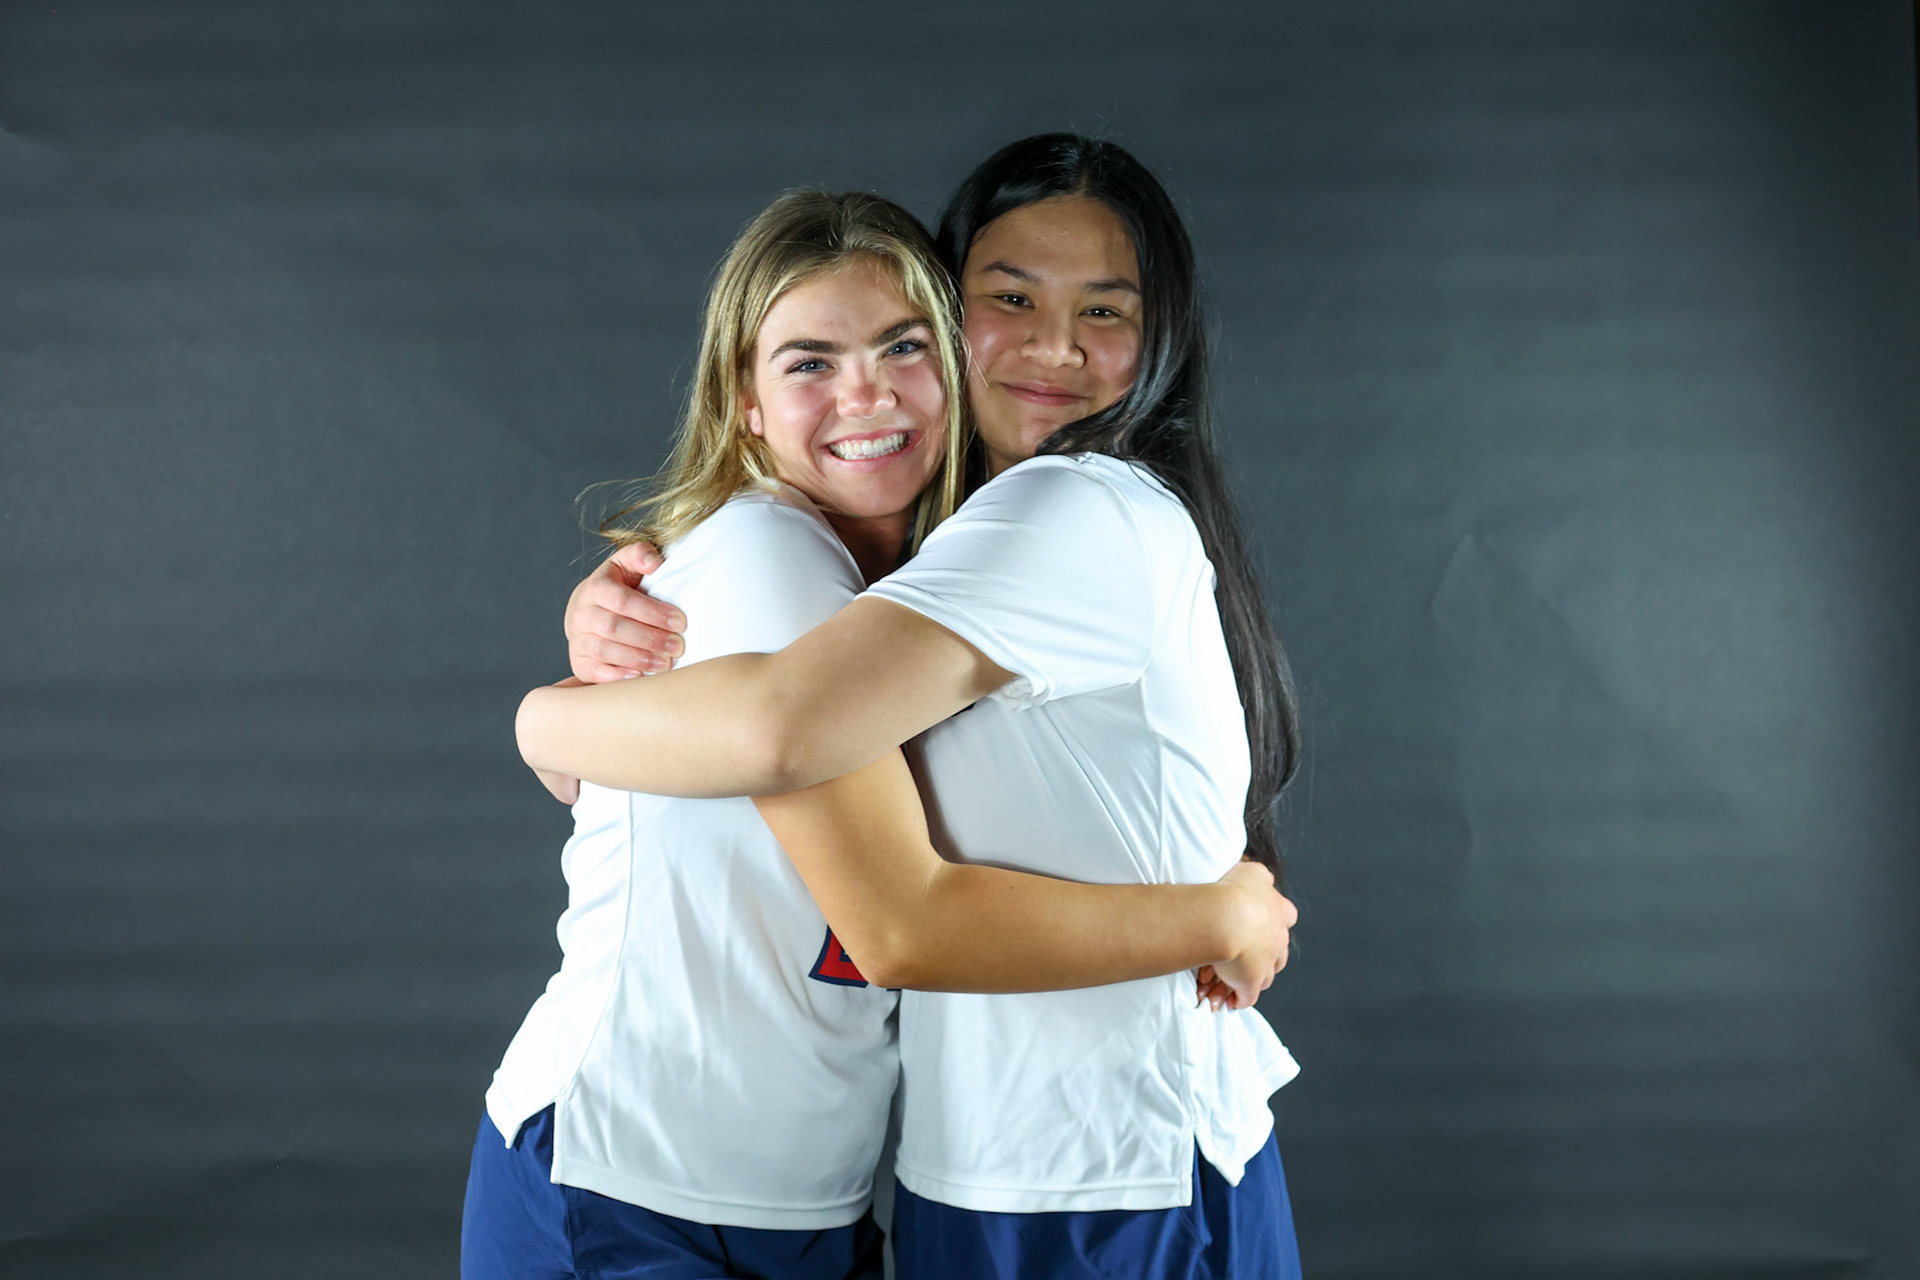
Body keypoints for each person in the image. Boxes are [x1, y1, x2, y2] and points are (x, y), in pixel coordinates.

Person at [470, 186, 1295, 1280]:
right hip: (634, 1182)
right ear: (745, 402)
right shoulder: (773, 562)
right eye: (809, 362)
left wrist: (557, 730)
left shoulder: (921, 587)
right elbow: (887, 902)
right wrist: (543, 719)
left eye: (902, 346)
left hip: (807, 1193)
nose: (867, 394)